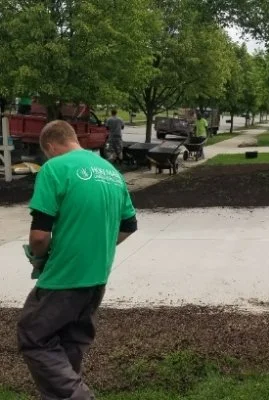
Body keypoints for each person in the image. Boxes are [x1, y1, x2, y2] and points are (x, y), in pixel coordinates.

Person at [17, 121, 138, 399]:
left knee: (33, 337)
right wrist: (98, 244)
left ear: (49, 146)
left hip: (64, 277)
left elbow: (38, 237)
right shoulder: (111, 173)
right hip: (96, 278)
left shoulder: (55, 169)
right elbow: (129, 226)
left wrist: (40, 258)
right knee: (70, 345)